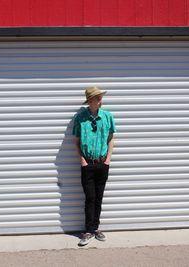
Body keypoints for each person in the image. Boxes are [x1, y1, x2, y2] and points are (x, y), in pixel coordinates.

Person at [72, 86, 116, 246]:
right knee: (90, 198)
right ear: (90, 101)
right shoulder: (80, 118)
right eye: (97, 98)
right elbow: (76, 142)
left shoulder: (107, 116)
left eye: (100, 97)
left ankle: (96, 228)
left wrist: (108, 159)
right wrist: (82, 160)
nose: (100, 100)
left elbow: (111, 138)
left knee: (98, 198)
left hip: (102, 163)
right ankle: (88, 230)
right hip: (87, 164)